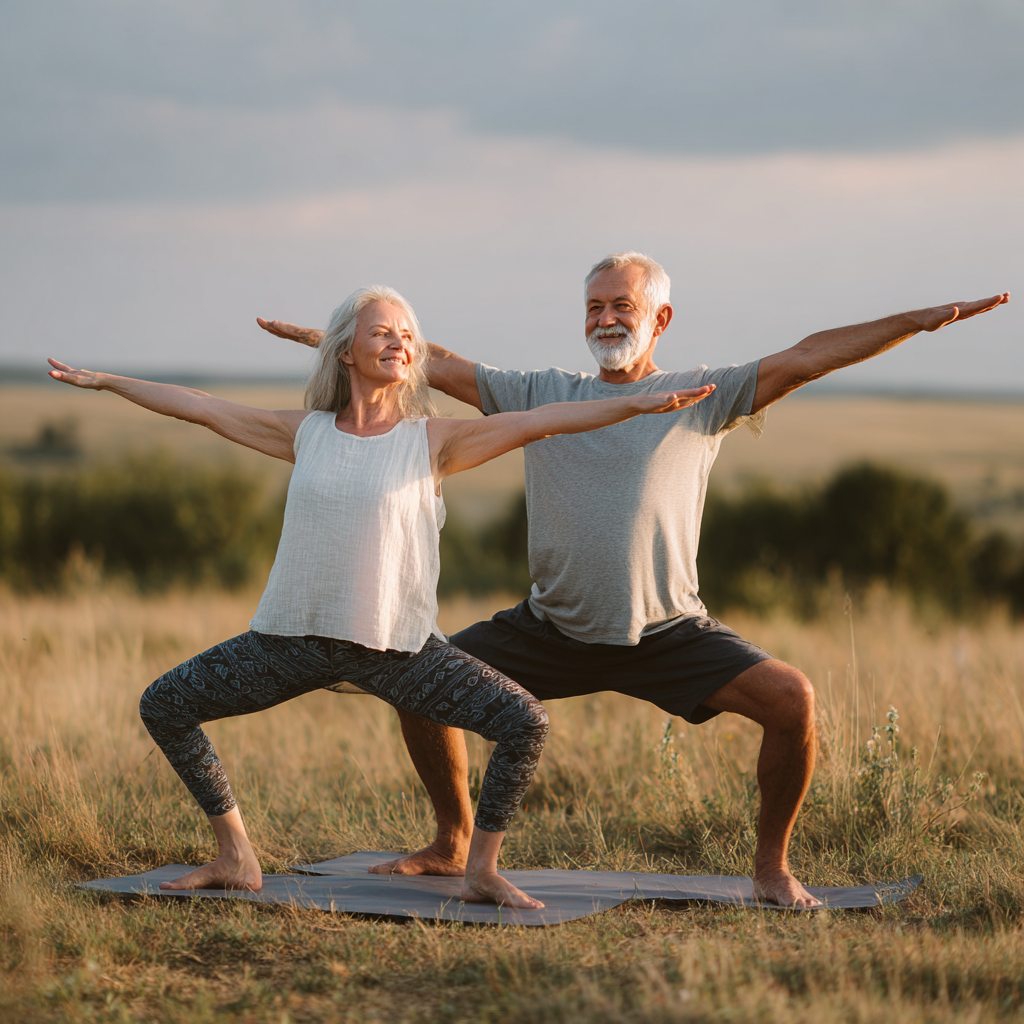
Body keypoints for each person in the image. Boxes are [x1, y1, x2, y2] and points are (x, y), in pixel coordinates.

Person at [261, 255, 1009, 908]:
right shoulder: (537, 391)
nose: (607, 317)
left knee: (792, 700)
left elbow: (808, 356)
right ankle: (452, 841)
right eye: (595, 305)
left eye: (623, 304)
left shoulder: (703, 393)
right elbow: (436, 357)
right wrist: (333, 342)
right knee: (418, 680)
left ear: (661, 317)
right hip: (547, 629)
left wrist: (917, 320)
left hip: (669, 632)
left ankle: (773, 869)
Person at [48, 283, 713, 910]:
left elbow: (545, 420)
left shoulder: (434, 440)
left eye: (407, 335)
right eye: (382, 332)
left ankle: (480, 868)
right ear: (347, 350)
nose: (399, 342)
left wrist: (635, 403)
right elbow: (198, 405)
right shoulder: (302, 432)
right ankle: (235, 856)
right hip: (291, 639)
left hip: (397, 650)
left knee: (524, 723)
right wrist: (107, 381)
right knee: (165, 703)